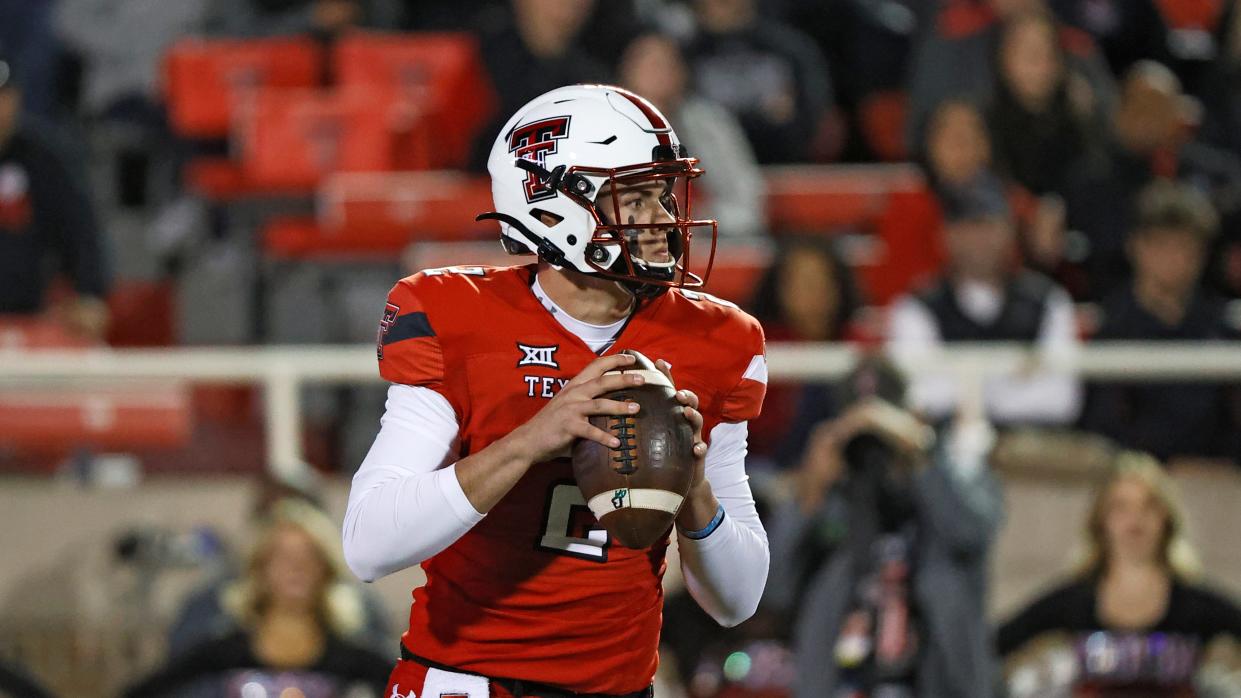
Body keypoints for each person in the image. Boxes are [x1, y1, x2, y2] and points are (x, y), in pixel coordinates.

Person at [343, 84, 770, 697]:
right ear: (554, 206)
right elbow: (367, 544)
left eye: (663, 194)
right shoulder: (453, 313)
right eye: (635, 196)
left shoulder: (718, 338)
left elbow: (737, 599)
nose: (663, 218)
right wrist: (530, 440)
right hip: (467, 683)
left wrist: (694, 485)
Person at [764, 357, 1003, 698]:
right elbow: (772, 590)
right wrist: (810, 494)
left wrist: (922, 456)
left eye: (885, 432)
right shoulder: (829, 502)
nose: (877, 450)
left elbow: (972, 533)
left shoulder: (949, 480)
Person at [997, 452, 1241, 695]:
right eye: (1121, 508)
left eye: (1149, 506)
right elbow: (991, 645)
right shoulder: (1075, 600)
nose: (1135, 521)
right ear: (1101, 520)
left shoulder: (1196, 604)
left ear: (1166, 519)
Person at [123, 499, 392, 697]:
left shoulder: (356, 658)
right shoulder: (221, 653)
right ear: (260, 569)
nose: (296, 567)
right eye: (282, 557)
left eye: (309, 557)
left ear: (326, 571)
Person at [886, 174, 1082, 427]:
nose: (980, 238)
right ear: (946, 234)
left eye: (989, 224)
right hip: (944, 447)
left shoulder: (1048, 300)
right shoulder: (916, 307)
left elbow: (1061, 400)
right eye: (968, 226)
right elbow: (919, 396)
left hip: (1032, 448)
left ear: (1010, 229)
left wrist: (963, 385)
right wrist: (1015, 378)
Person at [1082, 180, 1241, 464]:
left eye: (1185, 247)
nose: (1174, 259)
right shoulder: (1112, 331)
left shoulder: (1222, 332)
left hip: (1213, 479)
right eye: (1162, 245)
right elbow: (1102, 427)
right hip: (1134, 477)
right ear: (1135, 246)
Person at [0, 48, 111, 341]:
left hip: (28, 320)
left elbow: (82, 230)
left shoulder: (45, 158)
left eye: (4, 96)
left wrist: (89, 293)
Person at [618, 31, 767, 239]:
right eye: (648, 63)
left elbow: (747, 199)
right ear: (625, 72)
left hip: (709, 240)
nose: (658, 73)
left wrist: (694, 221)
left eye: (667, 63)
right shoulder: (607, 127)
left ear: (682, 73)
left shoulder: (710, 123)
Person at [685, 0, 834, 163]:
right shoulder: (686, 54)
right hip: (707, 167)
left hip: (786, 164)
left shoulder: (788, 48)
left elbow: (811, 116)